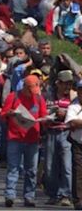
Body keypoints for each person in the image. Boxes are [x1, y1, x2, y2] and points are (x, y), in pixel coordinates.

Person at [0, 74, 50, 208]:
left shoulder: (39, 99)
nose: (32, 94)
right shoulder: (13, 96)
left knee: (31, 170)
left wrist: (45, 120)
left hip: (33, 139)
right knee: (13, 168)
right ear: (25, 88)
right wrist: (9, 113)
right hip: (15, 138)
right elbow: (2, 115)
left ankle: (29, 196)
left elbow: (43, 115)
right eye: (30, 91)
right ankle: (10, 195)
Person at [44, 70, 73, 206]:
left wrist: (65, 114)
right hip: (51, 132)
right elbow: (42, 111)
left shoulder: (73, 98)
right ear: (58, 83)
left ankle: (65, 194)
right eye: (65, 84)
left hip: (66, 132)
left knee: (66, 165)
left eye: (69, 84)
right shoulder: (49, 96)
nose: (67, 87)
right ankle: (52, 194)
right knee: (50, 166)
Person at [65, 79, 82, 210]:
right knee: (78, 171)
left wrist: (79, 122)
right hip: (78, 144)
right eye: (80, 91)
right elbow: (71, 124)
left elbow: (77, 123)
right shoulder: (73, 106)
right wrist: (76, 123)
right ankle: (78, 201)